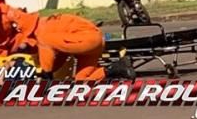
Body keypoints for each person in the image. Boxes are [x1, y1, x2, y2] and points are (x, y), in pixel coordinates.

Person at [9, 12, 137, 82]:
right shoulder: (51, 28)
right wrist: (52, 72)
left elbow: (47, 47)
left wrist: (46, 73)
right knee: (81, 81)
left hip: (87, 40)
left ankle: (46, 76)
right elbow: (62, 52)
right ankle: (116, 68)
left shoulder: (42, 32)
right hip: (95, 42)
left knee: (45, 41)